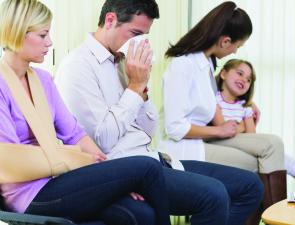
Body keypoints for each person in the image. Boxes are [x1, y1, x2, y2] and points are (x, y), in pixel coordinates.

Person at [55, 1, 264, 224]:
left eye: (144, 36)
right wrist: (134, 88)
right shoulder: (78, 67)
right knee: (214, 195)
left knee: (250, 186)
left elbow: (147, 130)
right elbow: (102, 140)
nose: (138, 43)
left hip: (156, 159)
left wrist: (141, 88)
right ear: (110, 21)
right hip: (128, 168)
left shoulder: (122, 63)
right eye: (135, 33)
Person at [0, 1, 172, 225]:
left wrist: (114, 178)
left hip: (57, 179)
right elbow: (12, 160)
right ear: (17, 33)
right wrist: (78, 162)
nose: (50, 42)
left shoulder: (43, 80)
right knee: (146, 167)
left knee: (140, 214)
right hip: (29, 195)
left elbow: (74, 134)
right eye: (43, 35)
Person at [162, 2, 286, 224]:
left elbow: (214, 102)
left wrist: (249, 104)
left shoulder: (207, 64)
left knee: (274, 144)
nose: (235, 51)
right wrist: (218, 130)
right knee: (253, 168)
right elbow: (175, 128)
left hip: (207, 137)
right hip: (185, 145)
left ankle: (283, 220)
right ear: (225, 40)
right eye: (237, 46)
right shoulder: (183, 65)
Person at [215, 59, 295, 182]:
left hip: (242, 145)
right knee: (277, 156)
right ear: (223, 74)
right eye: (240, 73)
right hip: (224, 142)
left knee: (283, 158)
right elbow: (222, 127)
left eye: (249, 79)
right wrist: (243, 126)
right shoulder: (214, 99)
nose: (244, 80)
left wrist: (241, 127)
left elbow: (252, 138)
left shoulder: (246, 107)